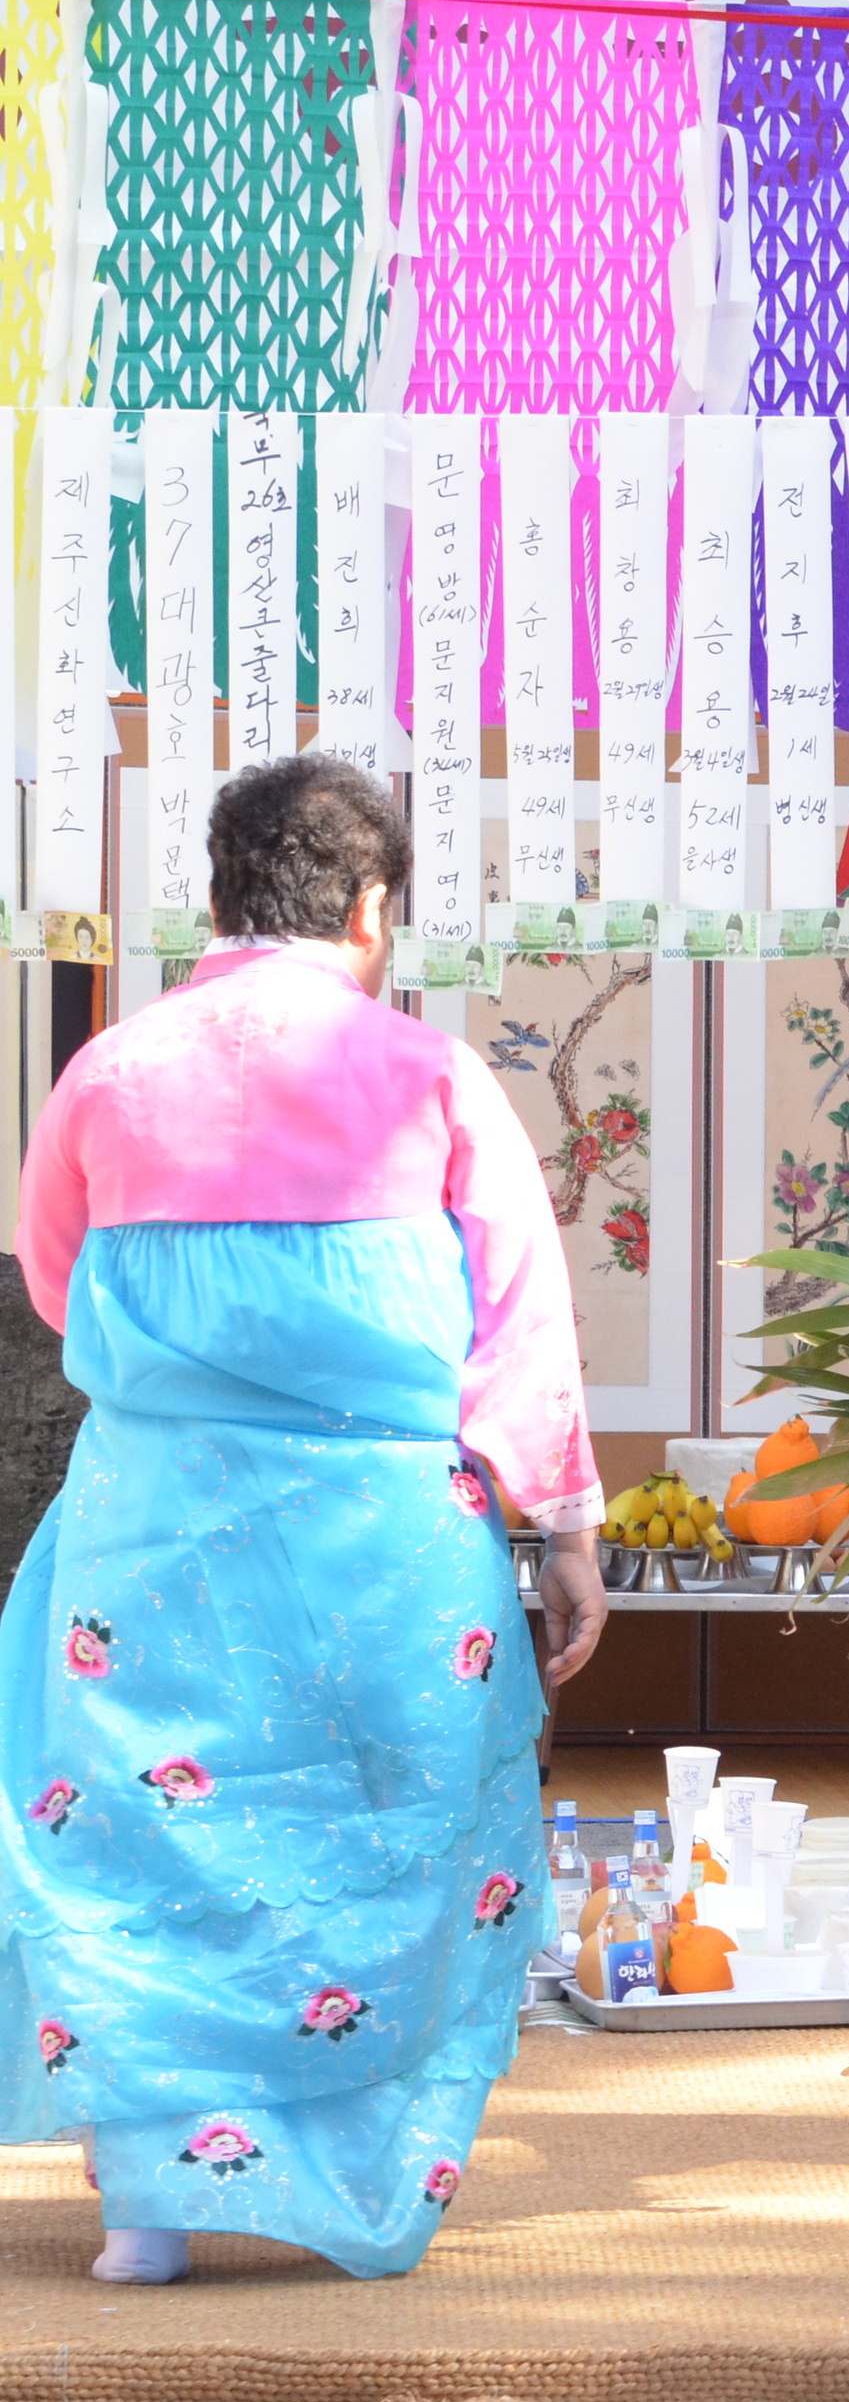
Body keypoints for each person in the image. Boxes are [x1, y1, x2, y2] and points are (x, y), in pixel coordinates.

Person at [0, 753, 606, 2283]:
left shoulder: (111, 1074)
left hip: (157, 1542)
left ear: (215, 900)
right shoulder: (429, 1077)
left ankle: (147, 2205)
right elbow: (515, 1330)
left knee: (146, 1840)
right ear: (371, 906)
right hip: (384, 1551)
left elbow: (57, 1277)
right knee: (387, 1841)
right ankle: (360, 2179)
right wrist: (568, 1531)